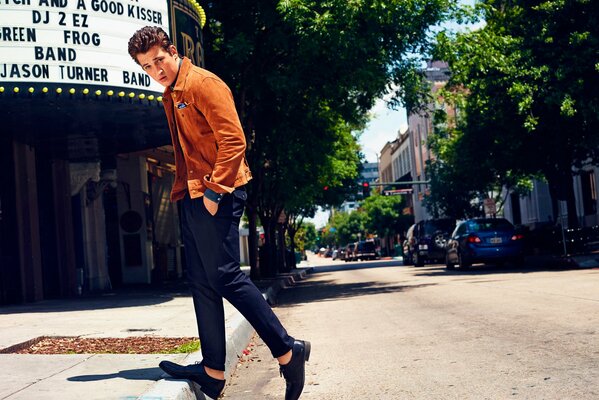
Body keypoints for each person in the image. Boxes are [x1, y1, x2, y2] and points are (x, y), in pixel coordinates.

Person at [127, 26, 310, 400]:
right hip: (193, 193)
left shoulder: (203, 84)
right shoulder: (173, 92)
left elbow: (234, 140)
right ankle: (212, 371)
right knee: (201, 280)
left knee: (224, 275)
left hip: (218, 191)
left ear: (173, 51)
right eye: (147, 67)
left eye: (159, 60)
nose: (156, 71)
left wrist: (213, 191)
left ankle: (288, 351)